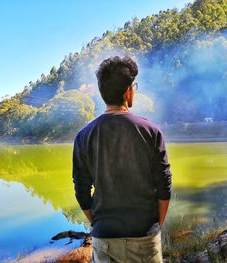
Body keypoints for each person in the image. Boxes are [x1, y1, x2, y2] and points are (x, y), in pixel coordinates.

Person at [72, 56, 172, 263]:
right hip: (144, 235)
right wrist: (157, 225)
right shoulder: (150, 131)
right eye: (134, 85)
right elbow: (164, 184)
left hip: (104, 237)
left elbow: (81, 190)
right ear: (128, 91)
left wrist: (98, 222)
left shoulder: (84, 136)